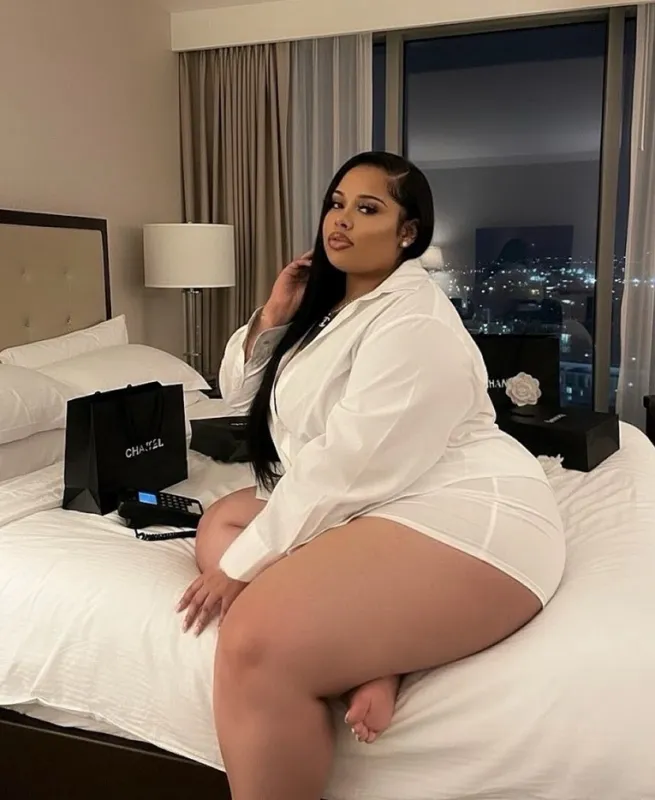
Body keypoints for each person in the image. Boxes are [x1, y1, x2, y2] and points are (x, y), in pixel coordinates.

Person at [177, 151, 566, 800]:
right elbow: (239, 394)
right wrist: (274, 315)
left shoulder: (413, 318)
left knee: (252, 642)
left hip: (465, 512)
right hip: (385, 491)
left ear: (407, 232)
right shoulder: (334, 309)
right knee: (220, 522)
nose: (342, 220)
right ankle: (369, 659)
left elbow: (348, 460)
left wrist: (241, 570)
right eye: (336, 204)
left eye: (367, 208)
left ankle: (367, 651)